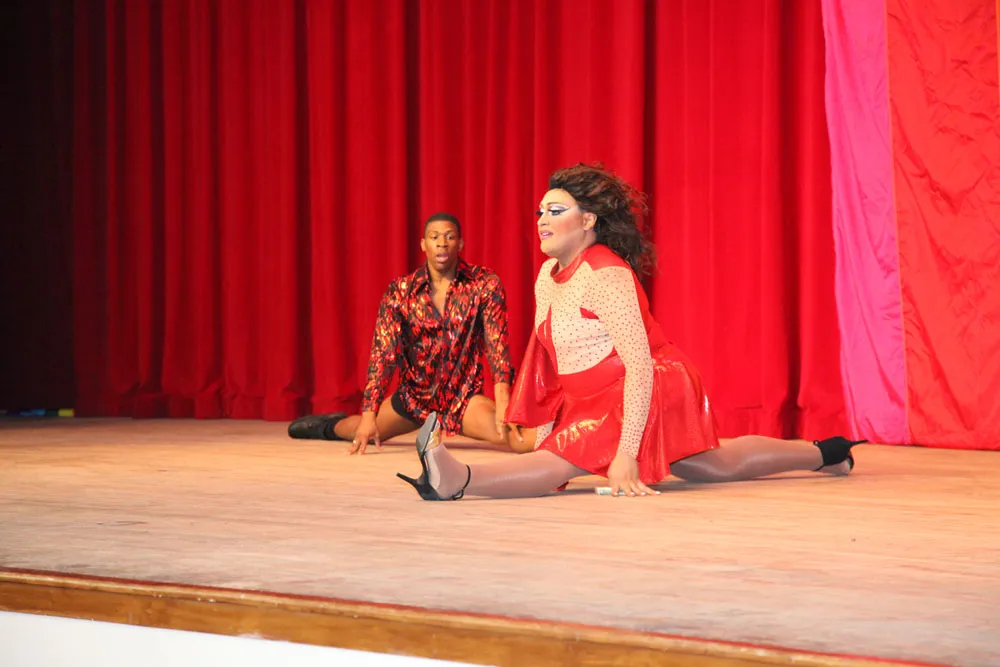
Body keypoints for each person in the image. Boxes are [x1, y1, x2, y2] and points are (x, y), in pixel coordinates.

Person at [396, 164, 864, 500]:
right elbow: (550, 363)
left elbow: (641, 367)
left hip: (650, 385)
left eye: (555, 210)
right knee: (712, 466)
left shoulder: (607, 276)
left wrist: (625, 454)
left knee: (561, 461)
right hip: (591, 397)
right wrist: (546, 429)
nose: (542, 220)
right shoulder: (546, 276)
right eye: (540, 211)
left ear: (588, 221)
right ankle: (827, 452)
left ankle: (456, 479)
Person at [289, 212, 533, 454]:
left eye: (449, 237)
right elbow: (383, 355)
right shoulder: (401, 291)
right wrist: (369, 415)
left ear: (460, 244)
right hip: (412, 400)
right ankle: (328, 426)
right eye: (434, 237)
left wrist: (504, 401)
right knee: (359, 430)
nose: (442, 243)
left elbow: (496, 345)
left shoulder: (484, 284)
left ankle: (555, 442)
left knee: (516, 437)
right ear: (423, 244)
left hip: (463, 399)